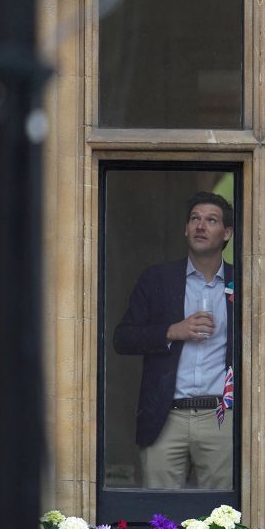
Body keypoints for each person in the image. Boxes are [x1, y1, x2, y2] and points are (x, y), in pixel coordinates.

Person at [113, 192, 236, 489]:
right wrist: (171, 331)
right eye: (194, 219)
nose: (200, 226)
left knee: (225, 518)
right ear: (185, 229)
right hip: (166, 417)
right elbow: (123, 338)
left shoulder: (244, 281)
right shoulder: (157, 279)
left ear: (227, 233)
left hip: (221, 417)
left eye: (211, 220)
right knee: (159, 516)